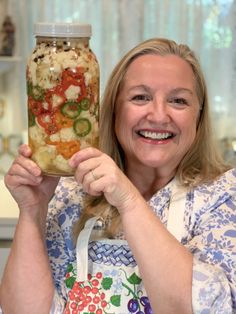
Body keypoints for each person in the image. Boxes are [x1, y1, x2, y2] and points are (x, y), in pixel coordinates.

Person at [0, 37, 235, 314]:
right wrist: (32, 211)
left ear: (199, 115)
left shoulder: (223, 196)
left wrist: (128, 200)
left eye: (178, 100)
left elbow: (198, 308)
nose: (159, 115)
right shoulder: (69, 192)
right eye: (140, 97)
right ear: (113, 110)